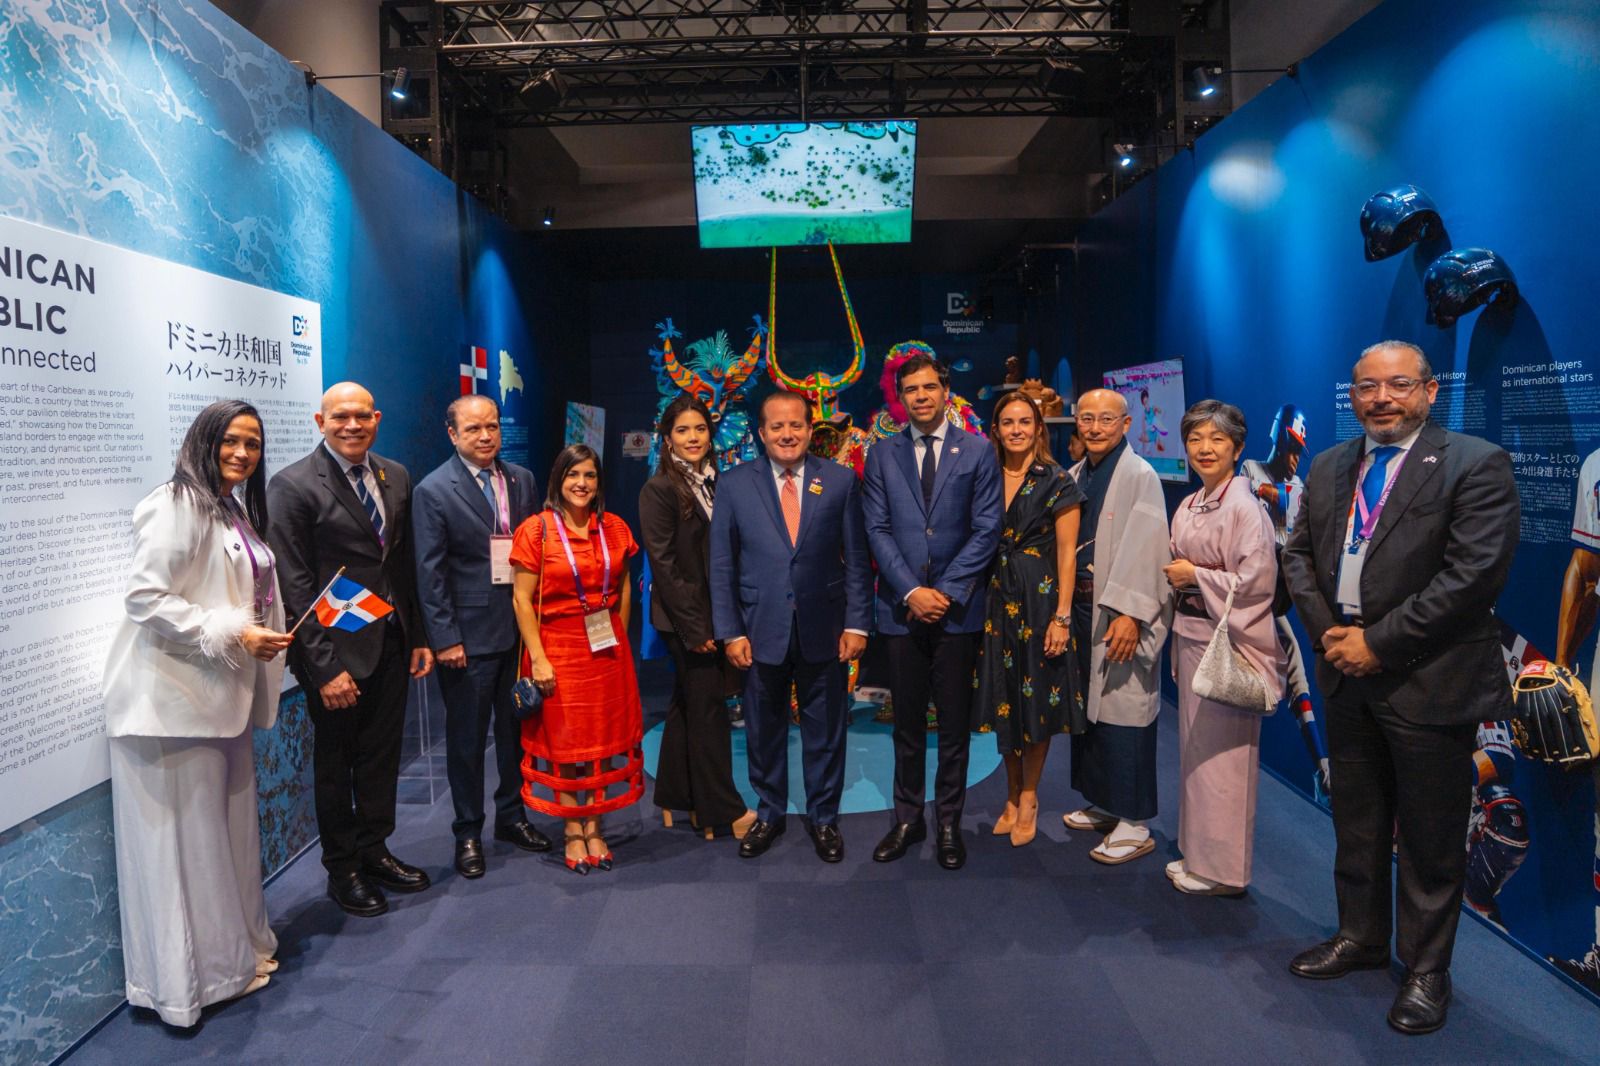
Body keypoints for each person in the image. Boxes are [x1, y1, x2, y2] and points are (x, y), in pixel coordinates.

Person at [1282, 340, 1519, 1035]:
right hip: (1344, 669)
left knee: (1430, 838)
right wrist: (1333, 637)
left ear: (1430, 391)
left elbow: (1472, 577)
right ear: (1352, 394)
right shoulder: (1330, 465)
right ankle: (1360, 937)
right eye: (1367, 387)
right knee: (1356, 821)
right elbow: (1297, 556)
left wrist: (1376, 644)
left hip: (1428, 678)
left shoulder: (1475, 463)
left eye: (1398, 385)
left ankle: (1425, 970)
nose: (1381, 399)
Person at [103, 399, 292, 1026]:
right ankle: (195, 984)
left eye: (253, 444)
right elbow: (144, 597)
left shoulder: (229, 506)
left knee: (225, 841)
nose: (242, 453)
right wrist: (235, 632)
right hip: (171, 704)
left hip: (217, 698)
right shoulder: (176, 503)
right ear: (203, 440)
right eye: (230, 441)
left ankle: (236, 957)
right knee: (186, 853)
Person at [268, 382, 434, 917]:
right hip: (335, 654)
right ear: (321, 422)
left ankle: (375, 849)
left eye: (362, 415)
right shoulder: (292, 485)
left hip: (390, 640)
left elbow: (400, 564)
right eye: (340, 417)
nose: (352, 425)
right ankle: (343, 869)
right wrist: (323, 668)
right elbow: (294, 585)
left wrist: (418, 636)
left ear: (377, 418)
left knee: (382, 757)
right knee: (337, 765)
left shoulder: (395, 475)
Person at [709, 391, 872, 862]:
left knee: (827, 731)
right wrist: (731, 631)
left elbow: (857, 558)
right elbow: (722, 565)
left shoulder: (839, 481)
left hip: (826, 627)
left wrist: (858, 623)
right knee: (763, 731)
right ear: (761, 433)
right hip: (759, 630)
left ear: (810, 428)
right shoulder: (734, 484)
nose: (787, 434)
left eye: (796, 425)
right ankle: (769, 813)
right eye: (777, 426)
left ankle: (824, 818)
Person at [862, 353, 1003, 870]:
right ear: (900, 397)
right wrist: (910, 592)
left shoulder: (978, 450)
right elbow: (876, 529)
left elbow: (987, 528)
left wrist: (943, 591)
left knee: (953, 724)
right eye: (911, 390)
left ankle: (948, 822)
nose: (920, 397)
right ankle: (907, 819)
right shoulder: (882, 453)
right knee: (904, 724)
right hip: (901, 612)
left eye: (928, 387)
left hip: (956, 611)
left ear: (945, 391)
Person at [413, 394, 552, 880]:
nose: (486, 436)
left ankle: (512, 817)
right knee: (467, 741)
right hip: (467, 641)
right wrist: (445, 638)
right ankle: (468, 831)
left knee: (515, 732)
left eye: (492, 426)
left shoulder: (521, 479)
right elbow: (429, 573)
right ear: (452, 434)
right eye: (473, 429)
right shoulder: (434, 490)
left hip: (519, 630)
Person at [1163, 400, 1284, 895]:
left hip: (1229, 641)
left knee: (1225, 762)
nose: (1205, 448)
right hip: (1193, 635)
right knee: (1196, 755)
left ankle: (1225, 872)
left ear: (1238, 447)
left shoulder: (1245, 507)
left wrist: (1196, 575)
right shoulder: (1191, 502)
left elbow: (1257, 584)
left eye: (1217, 439)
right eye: (1195, 439)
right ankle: (1199, 854)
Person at [511, 444, 644, 874]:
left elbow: (624, 587)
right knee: (567, 744)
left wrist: (618, 637)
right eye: (573, 475)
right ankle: (573, 829)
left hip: (605, 649)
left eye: (589, 475)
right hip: (557, 650)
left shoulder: (615, 528)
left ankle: (595, 825)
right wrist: (539, 658)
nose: (581, 483)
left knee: (601, 739)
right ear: (558, 480)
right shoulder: (536, 531)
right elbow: (521, 599)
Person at [1061, 388, 1172, 865]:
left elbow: (1149, 546)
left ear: (1127, 424)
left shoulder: (1140, 475)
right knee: (1092, 710)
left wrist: (1131, 613)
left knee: (1126, 710)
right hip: (1084, 609)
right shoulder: (1074, 475)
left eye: (1106, 419)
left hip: (1119, 611)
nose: (1095, 427)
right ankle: (1105, 802)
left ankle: (1134, 820)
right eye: (1086, 418)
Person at [640, 395, 758, 840]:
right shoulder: (658, 489)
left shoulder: (716, 480)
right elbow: (665, 567)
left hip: (715, 613)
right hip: (689, 621)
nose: (693, 438)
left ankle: (680, 797)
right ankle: (721, 810)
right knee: (709, 710)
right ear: (667, 439)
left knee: (687, 703)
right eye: (682, 430)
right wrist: (696, 628)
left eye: (700, 429)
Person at [973, 391, 1085, 847]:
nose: (1016, 429)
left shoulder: (1057, 480)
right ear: (995, 430)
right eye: (1007, 422)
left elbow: (1067, 554)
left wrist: (1062, 617)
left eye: (1024, 421)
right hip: (994, 602)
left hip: (1041, 604)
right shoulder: (983, 476)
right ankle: (1010, 793)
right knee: (1004, 700)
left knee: (1037, 702)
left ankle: (1030, 796)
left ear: (1038, 428)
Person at [1240, 404, 1329, 803]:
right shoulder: (1251, 468)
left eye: (1298, 450)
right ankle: (1320, 763)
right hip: (1250, 589)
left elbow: (1297, 504)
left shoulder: (1298, 484)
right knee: (1287, 652)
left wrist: (1277, 495)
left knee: (1298, 662)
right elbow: (1250, 498)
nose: (1294, 457)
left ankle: (1321, 764)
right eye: (1290, 446)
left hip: (1280, 590)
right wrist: (1270, 493)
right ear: (1277, 438)